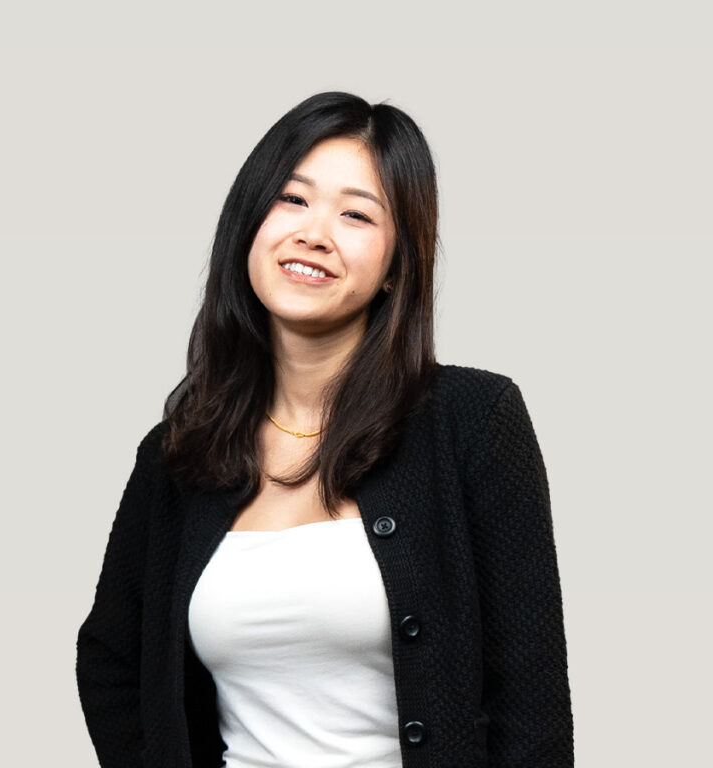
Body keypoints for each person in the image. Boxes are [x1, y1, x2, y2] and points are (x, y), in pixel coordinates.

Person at [75, 91, 574, 768]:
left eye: (356, 214)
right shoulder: (178, 455)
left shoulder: (473, 420)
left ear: (398, 265)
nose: (314, 233)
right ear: (249, 224)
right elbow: (111, 661)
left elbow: (532, 708)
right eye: (292, 199)